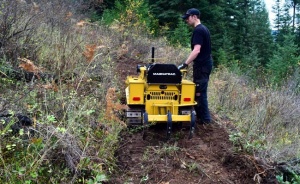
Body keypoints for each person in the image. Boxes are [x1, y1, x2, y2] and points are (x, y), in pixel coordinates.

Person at [178, 8, 213, 124]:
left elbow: (196, 50)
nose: (186, 20)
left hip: (202, 66)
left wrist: (185, 64)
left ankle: (206, 121)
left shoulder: (198, 30)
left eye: (187, 18)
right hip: (204, 64)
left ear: (194, 16)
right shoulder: (204, 29)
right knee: (198, 91)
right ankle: (200, 118)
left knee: (200, 93)